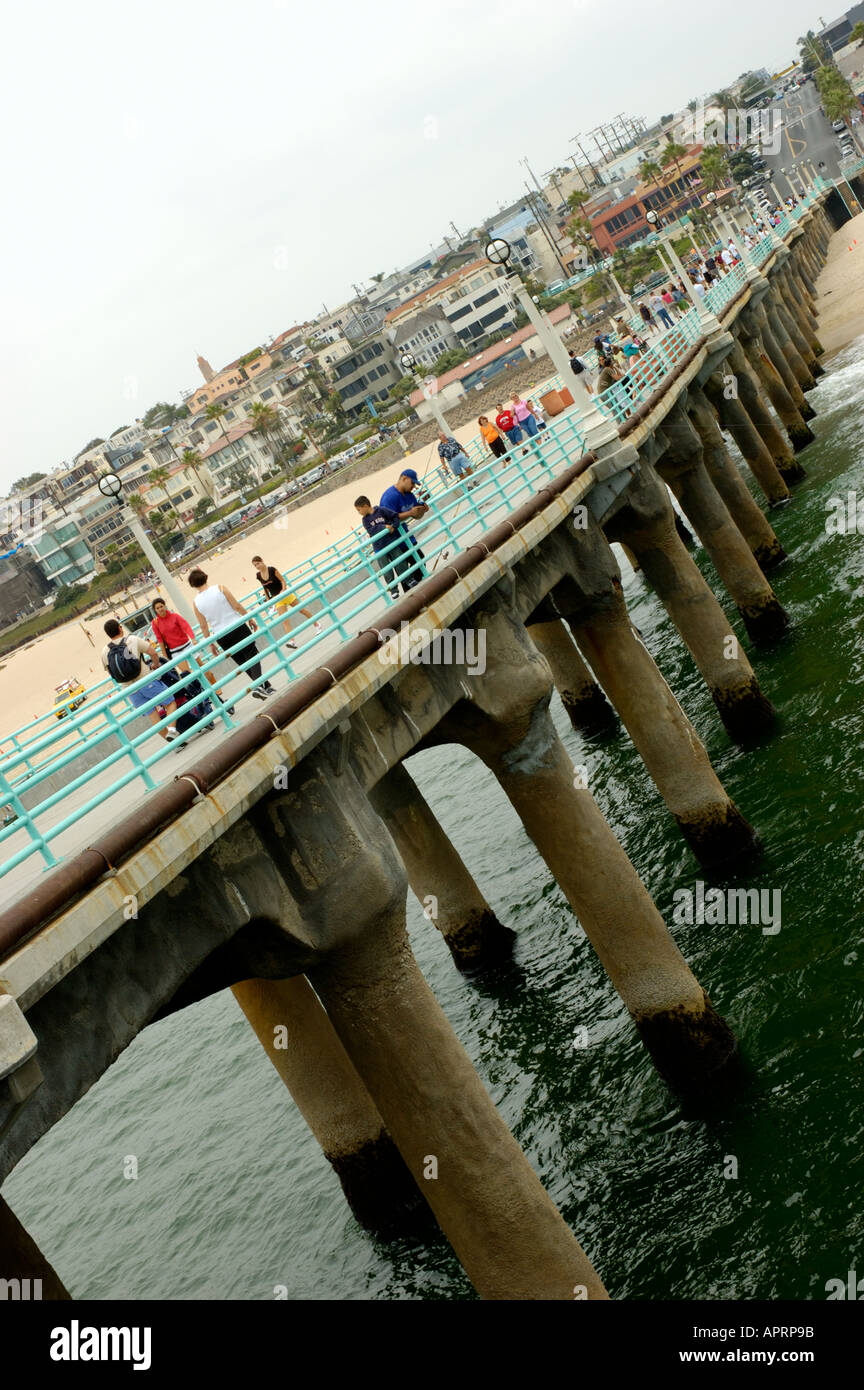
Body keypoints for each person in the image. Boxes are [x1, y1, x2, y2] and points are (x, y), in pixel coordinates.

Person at [188, 568, 275, 701]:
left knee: (242, 662)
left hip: (221, 636)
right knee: (252, 654)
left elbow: (203, 625)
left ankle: (266, 686)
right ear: (205, 577)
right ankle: (258, 686)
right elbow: (237, 606)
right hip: (237, 626)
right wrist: (250, 618)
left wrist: (210, 643)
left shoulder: (196, 602)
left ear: (193, 585)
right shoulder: (220, 588)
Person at [101, 618, 178, 740]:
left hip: (129, 690)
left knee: (152, 715)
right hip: (146, 681)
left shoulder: (105, 651)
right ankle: (172, 730)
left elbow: (112, 674)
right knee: (170, 702)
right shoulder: (132, 639)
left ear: (108, 634)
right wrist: (155, 665)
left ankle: (176, 744)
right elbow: (152, 652)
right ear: (120, 628)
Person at [252, 555, 320, 649]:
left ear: (262, 561)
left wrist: (283, 590)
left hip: (286, 595)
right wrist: (268, 601)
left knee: (302, 610)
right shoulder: (258, 575)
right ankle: (292, 641)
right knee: (284, 621)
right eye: (255, 565)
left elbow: (283, 580)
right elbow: (265, 588)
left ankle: (317, 625)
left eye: (258, 563)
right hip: (277, 599)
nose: (257, 566)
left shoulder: (272, 570)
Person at [354, 495, 415, 600]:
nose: (359, 512)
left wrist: (393, 527)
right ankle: (393, 589)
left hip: (391, 542)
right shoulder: (365, 520)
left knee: (400, 562)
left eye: (359, 510)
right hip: (379, 548)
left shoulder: (381, 510)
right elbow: (371, 530)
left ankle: (408, 580)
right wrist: (384, 527)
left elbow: (395, 516)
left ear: (365, 506)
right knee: (387, 570)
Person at [379, 470, 429, 588]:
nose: (413, 487)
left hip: (406, 536)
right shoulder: (389, 497)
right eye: (412, 483)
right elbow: (389, 518)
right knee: (405, 572)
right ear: (404, 478)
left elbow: (415, 515)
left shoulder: (410, 496)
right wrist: (410, 513)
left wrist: (422, 510)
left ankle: (417, 589)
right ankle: (412, 593)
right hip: (393, 540)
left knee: (420, 560)